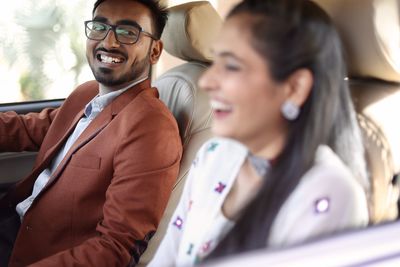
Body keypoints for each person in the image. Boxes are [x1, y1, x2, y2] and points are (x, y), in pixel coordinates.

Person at [148, 0, 369, 266]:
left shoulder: (328, 194)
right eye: (216, 61)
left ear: (294, 87)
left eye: (231, 66)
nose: (207, 81)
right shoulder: (212, 155)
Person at [0, 0, 182, 266]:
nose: (109, 42)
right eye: (99, 27)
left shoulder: (152, 128)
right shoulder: (87, 93)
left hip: (39, 255)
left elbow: (115, 248)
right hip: (13, 222)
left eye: (128, 32)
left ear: (154, 51)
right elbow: (26, 128)